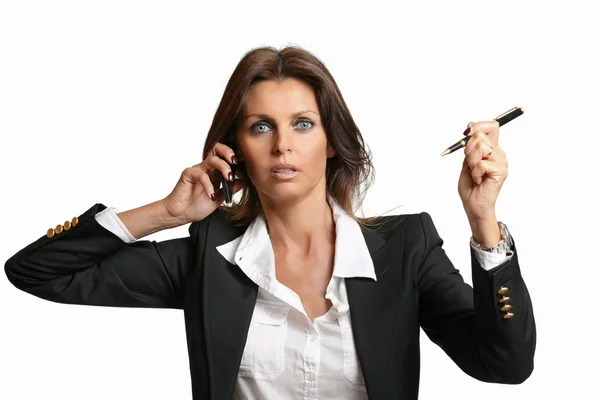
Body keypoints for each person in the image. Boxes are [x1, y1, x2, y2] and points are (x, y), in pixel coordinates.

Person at [4, 45, 536, 400]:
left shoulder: (405, 249)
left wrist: (482, 217)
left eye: (302, 124)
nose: (282, 144)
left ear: (331, 142)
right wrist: (167, 212)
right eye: (261, 126)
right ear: (235, 149)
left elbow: (504, 364)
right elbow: (36, 272)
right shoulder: (207, 259)